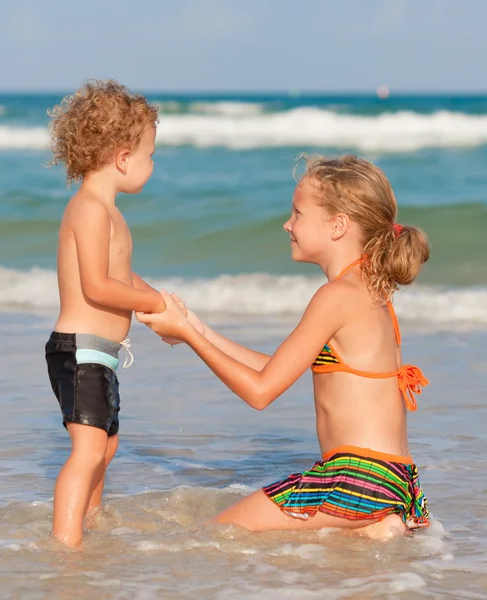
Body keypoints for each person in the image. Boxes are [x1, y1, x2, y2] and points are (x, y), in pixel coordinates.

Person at [138, 155, 431, 539]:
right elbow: (279, 367)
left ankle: (366, 524)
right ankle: (371, 527)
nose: (287, 223)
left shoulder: (335, 295)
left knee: (212, 536)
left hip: (355, 478)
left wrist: (189, 336)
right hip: (394, 481)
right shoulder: (370, 291)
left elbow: (261, 392)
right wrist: (199, 330)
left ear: (337, 225)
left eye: (297, 213)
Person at [44, 80, 165, 548]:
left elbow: (126, 278)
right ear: (122, 157)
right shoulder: (91, 209)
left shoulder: (110, 212)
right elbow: (97, 285)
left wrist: (163, 304)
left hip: (100, 354)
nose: (152, 164)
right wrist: (149, 304)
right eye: (150, 155)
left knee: (105, 446)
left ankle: (90, 520)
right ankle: (65, 544)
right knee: (88, 448)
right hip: (79, 351)